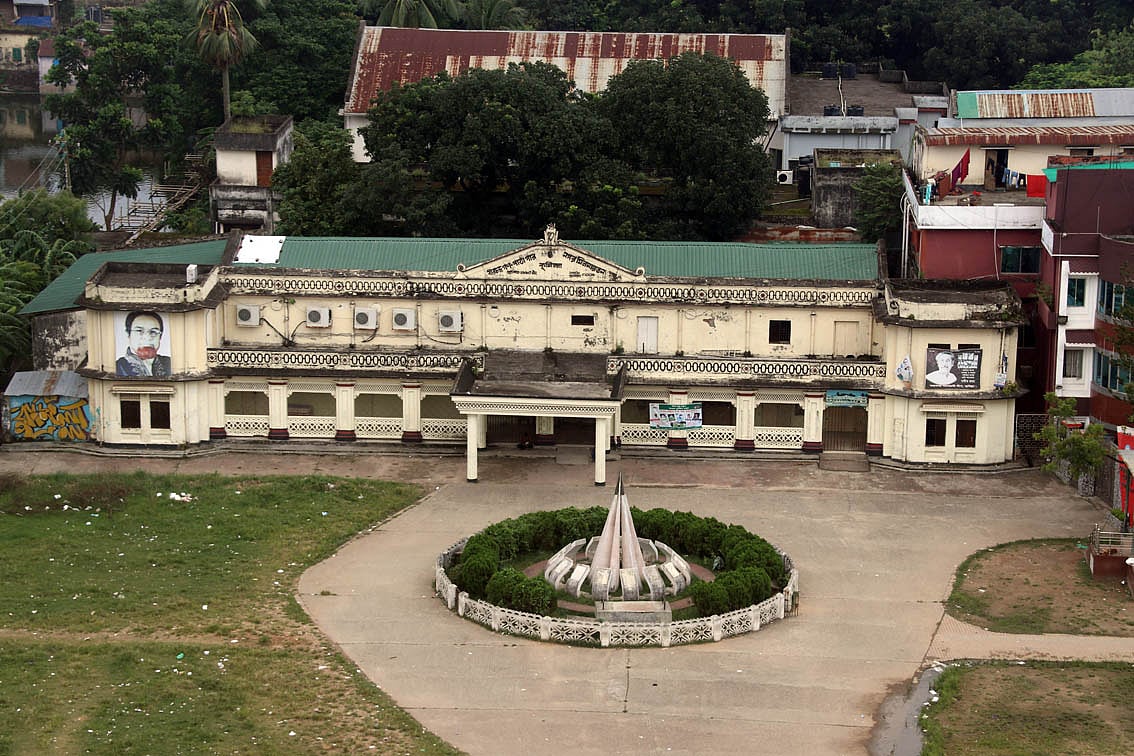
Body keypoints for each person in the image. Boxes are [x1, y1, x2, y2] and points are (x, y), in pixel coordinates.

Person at [116, 311, 171, 377]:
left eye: (153, 332)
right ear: (128, 334)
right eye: (139, 331)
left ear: (160, 337)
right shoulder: (118, 367)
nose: (147, 338)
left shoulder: (170, 363)